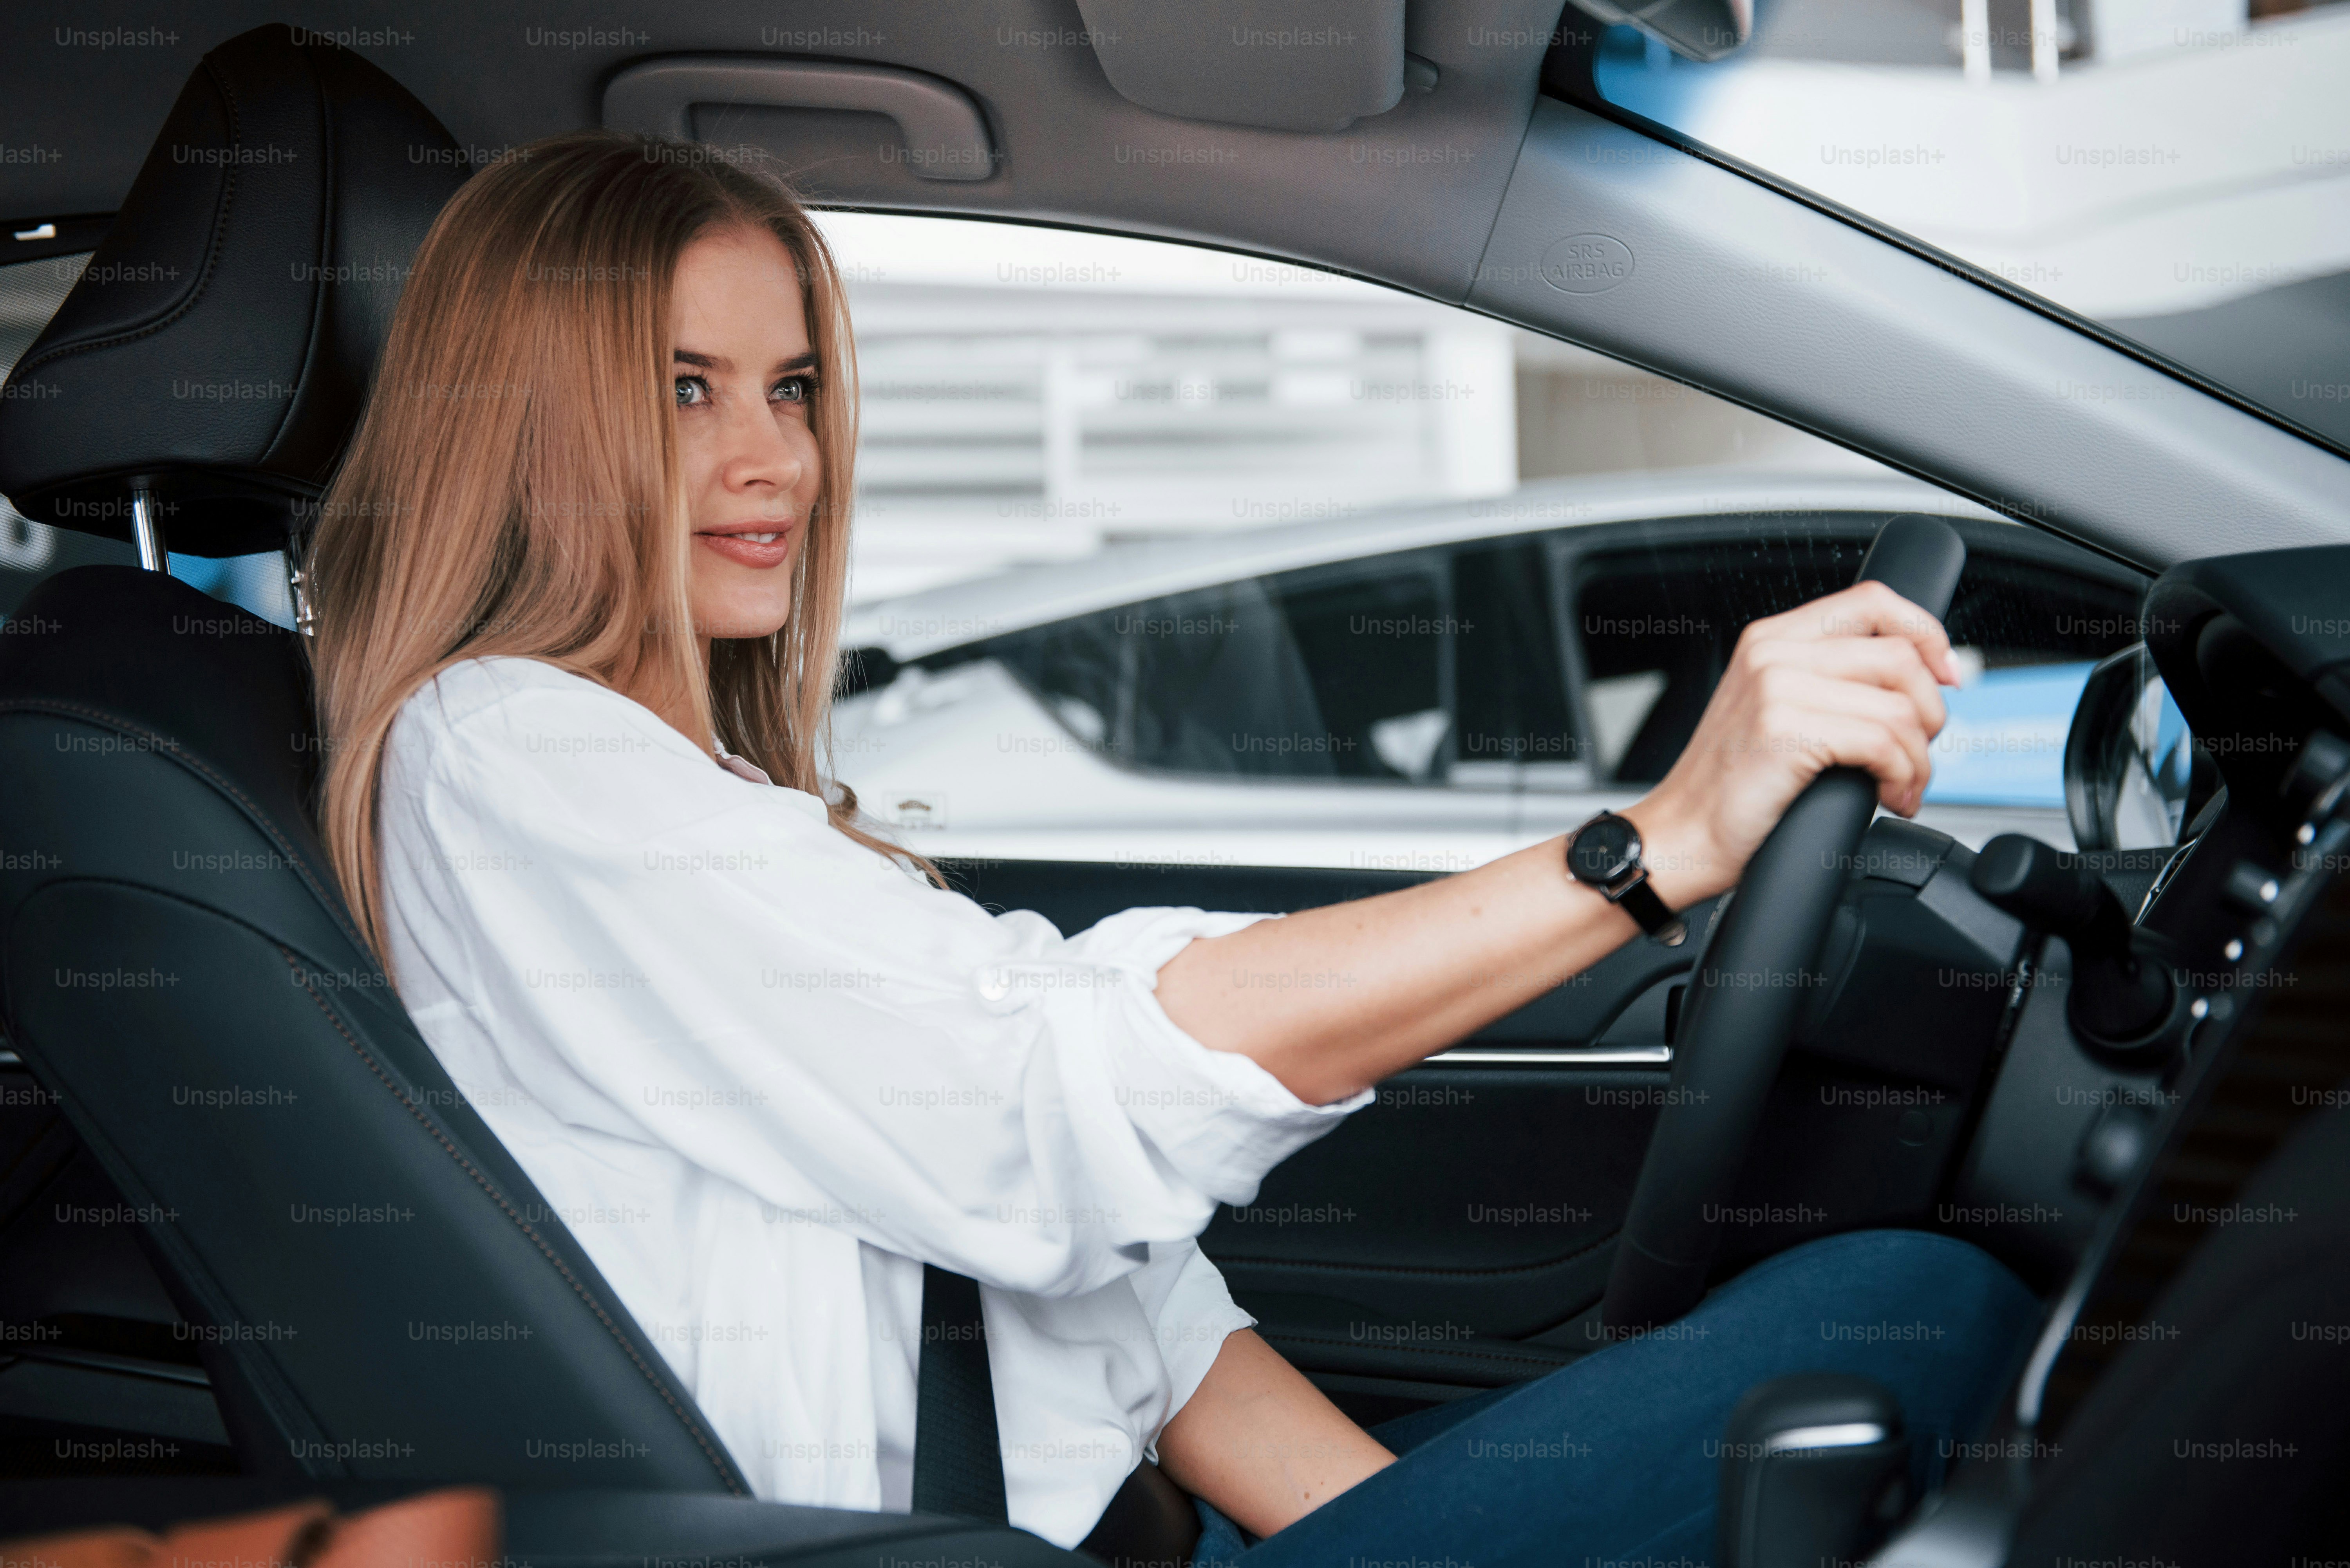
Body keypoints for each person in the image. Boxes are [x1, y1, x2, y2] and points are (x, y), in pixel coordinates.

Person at [305, 132, 2038, 1563]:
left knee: (1880, 1314)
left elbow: (1126, 1295)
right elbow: (1038, 1104)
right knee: (1908, 1307)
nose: (777, 461)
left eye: (794, 386)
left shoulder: (684, 778)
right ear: (537, 421)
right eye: (685, 391)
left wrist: (1376, 1526)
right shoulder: (510, 749)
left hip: (1124, 1525)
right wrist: (1647, 846)